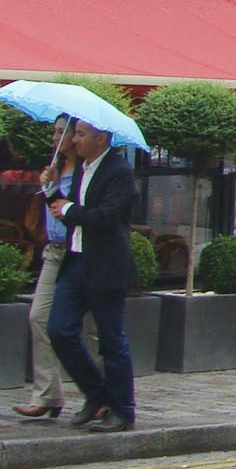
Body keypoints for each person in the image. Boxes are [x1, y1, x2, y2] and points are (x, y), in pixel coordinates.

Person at [43, 118, 139, 432]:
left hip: (105, 266)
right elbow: (67, 211)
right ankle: (97, 394)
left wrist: (68, 208)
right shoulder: (82, 169)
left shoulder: (119, 171)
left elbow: (107, 217)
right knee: (59, 330)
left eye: (81, 135)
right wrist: (50, 190)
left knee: (111, 340)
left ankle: (123, 410)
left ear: (101, 139)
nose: (74, 140)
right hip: (76, 262)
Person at [13, 123, 80, 421]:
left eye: (60, 132)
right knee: (38, 316)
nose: (55, 138)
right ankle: (48, 394)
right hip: (53, 251)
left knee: (86, 330)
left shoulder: (85, 172)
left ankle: (100, 395)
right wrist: (49, 186)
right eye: (54, 132)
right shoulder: (57, 168)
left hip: (79, 253)